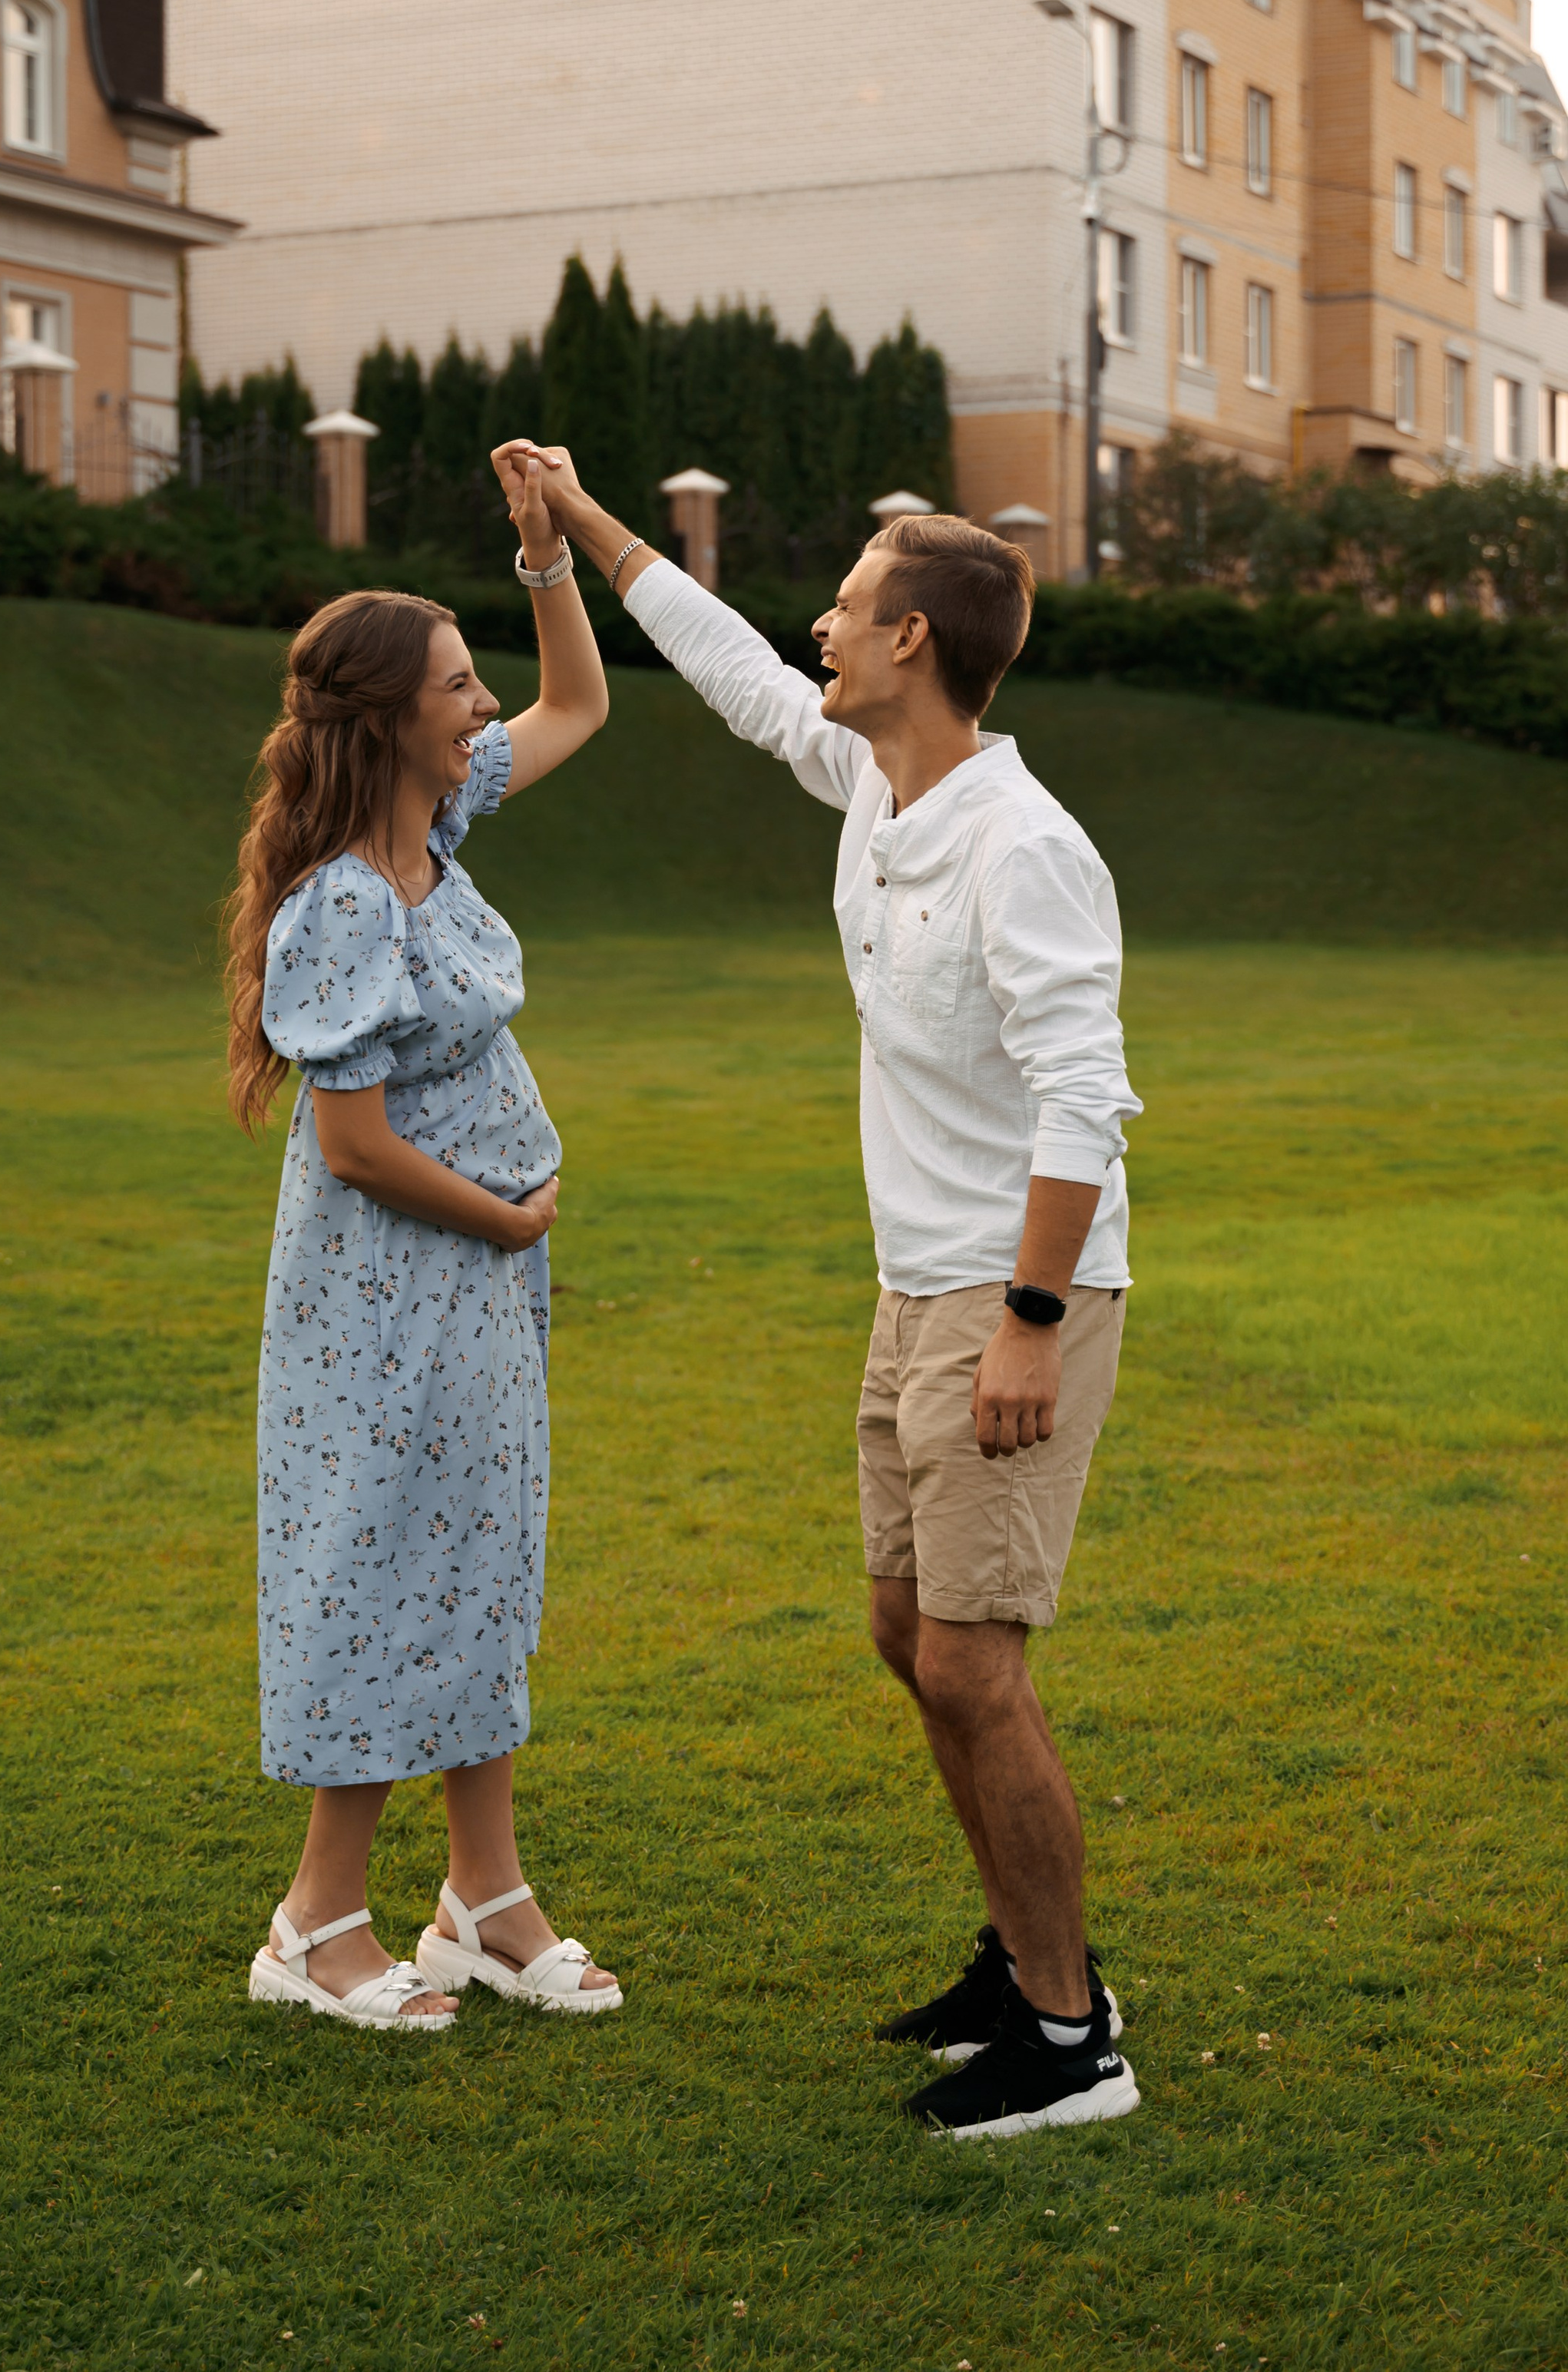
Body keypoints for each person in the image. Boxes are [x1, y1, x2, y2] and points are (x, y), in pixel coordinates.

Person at [507, 439, 1141, 2137]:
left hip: (1016, 1297)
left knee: (969, 1667)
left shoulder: (1022, 847)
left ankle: (1073, 2043)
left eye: (849, 608)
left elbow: (1086, 1097)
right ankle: (1021, 1963)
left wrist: (1025, 1319)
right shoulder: (877, 786)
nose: (820, 625)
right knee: (905, 1636)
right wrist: (579, 525)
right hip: (913, 1287)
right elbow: (724, 665)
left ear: (916, 643)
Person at [224, 447, 622, 2032]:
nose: (481, 704)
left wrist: (545, 560)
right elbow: (356, 1143)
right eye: (456, 685)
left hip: (475, 1287)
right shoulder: (341, 904)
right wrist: (507, 1215)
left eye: (476, 681)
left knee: (482, 1556)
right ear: (386, 716)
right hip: (387, 1291)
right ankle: (312, 1921)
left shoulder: (439, 836)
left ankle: (485, 1896)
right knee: (379, 1564)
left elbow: (580, 705)